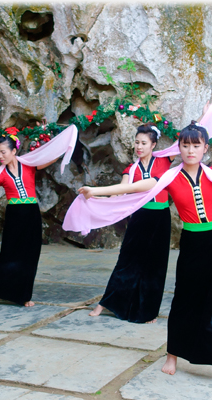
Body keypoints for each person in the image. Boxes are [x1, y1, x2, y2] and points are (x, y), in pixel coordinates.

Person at [78, 121, 212, 388]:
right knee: (184, 299)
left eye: (196, 145)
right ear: (178, 148)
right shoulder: (169, 177)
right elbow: (131, 187)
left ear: (205, 148)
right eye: (185, 145)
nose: (190, 150)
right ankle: (172, 356)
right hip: (191, 243)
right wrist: (94, 191)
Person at [88, 124, 172, 323]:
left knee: (155, 266)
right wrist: (98, 199)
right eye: (137, 142)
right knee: (127, 261)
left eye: (144, 143)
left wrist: (203, 117)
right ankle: (106, 303)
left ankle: (148, 310)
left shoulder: (165, 160)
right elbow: (121, 190)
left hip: (161, 219)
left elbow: (188, 142)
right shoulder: (131, 169)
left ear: (154, 145)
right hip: (140, 217)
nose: (139, 147)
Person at [0, 136, 59, 307]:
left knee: (30, 255)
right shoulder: (1, 174)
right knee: (8, 254)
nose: (0, 156)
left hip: (32, 213)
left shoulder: (29, 164)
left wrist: (66, 143)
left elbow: (50, 157)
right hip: (15, 214)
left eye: (3, 152)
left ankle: (23, 296)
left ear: (13, 151)